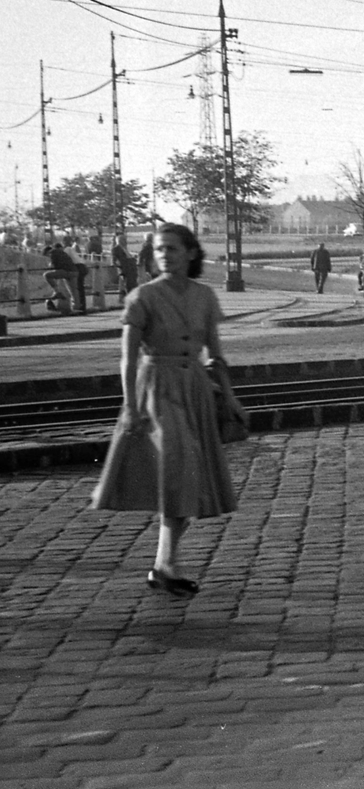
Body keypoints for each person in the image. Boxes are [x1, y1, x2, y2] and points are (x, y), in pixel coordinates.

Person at [91, 222, 240, 597]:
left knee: (189, 478)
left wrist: (232, 398)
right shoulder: (142, 297)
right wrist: (129, 406)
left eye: (172, 248)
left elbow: (215, 354)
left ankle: (164, 565)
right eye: (159, 249)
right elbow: (126, 359)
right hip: (156, 390)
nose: (164, 255)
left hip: (195, 392)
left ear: (190, 253)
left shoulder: (205, 296)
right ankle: (166, 564)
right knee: (181, 469)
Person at [44, 238, 78, 312]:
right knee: (73, 291)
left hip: (66, 272)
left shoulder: (52, 253)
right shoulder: (61, 252)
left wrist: (50, 265)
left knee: (47, 275)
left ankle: (57, 292)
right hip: (74, 271)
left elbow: (54, 266)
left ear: (47, 252)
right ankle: (76, 307)